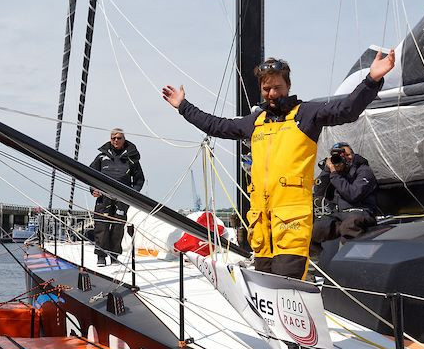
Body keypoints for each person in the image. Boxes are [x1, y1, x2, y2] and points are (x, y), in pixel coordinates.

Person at [162, 50, 394, 278]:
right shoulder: (256, 121)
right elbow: (217, 125)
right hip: (262, 224)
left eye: (277, 87)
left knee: (286, 284)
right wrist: (184, 106)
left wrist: (372, 79)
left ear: (288, 86)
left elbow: (347, 109)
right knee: (263, 284)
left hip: (291, 223)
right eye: (266, 89)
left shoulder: (307, 113)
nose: (272, 93)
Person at [89, 128, 145, 266]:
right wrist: (93, 189)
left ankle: (114, 256)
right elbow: (90, 174)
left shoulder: (132, 159)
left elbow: (139, 180)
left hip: (122, 199)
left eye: (119, 138)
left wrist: (132, 194)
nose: (116, 140)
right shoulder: (101, 157)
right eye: (113, 137)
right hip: (103, 198)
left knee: (118, 227)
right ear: (110, 139)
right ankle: (101, 256)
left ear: (123, 139)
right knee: (101, 226)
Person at [311, 141, 380, 252]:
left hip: (362, 212)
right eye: (340, 157)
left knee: (349, 225)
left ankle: (349, 258)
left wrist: (334, 175)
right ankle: (317, 262)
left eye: (348, 155)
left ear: (353, 154)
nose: (346, 158)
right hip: (341, 215)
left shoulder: (364, 171)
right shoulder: (336, 172)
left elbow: (353, 195)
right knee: (316, 228)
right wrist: (327, 170)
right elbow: (319, 191)